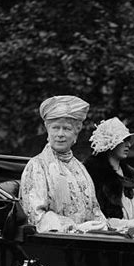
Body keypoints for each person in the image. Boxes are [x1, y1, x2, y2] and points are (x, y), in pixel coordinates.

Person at [20, 95, 107, 233]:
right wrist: (76, 229)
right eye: (55, 128)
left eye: (66, 129)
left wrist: (105, 227)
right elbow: (36, 216)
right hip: (53, 247)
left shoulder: (81, 168)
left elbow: (94, 212)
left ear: (76, 133)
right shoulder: (37, 166)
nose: (60, 134)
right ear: (47, 130)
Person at [84, 117, 134, 231]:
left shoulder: (128, 175)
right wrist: (130, 224)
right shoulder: (94, 176)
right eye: (123, 141)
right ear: (111, 144)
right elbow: (97, 218)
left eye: (128, 141)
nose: (128, 145)